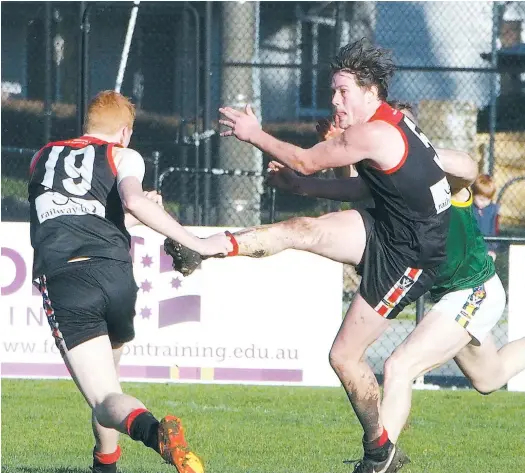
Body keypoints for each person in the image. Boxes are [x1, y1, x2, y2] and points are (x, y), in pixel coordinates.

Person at [168, 39, 453, 473]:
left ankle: (381, 452)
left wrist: (254, 134)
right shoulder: (390, 122)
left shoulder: (373, 132)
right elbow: (368, 189)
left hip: (412, 255)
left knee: (343, 357)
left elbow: (303, 160)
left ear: (371, 92)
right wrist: (306, 190)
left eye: (344, 92)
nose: (334, 100)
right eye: (333, 91)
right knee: (302, 228)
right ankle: (203, 247)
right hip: (389, 226)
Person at [266, 103, 525, 454]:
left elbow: (467, 165)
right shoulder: (392, 183)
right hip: (453, 296)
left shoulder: (439, 172)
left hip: (474, 290)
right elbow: (358, 196)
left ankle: (379, 460)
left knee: (398, 366)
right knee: (488, 378)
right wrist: (340, 153)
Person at [28, 90, 232, 473]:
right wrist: (198, 242)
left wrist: (140, 211)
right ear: (124, 132)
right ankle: (105, 465)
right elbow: (132, 203)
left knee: (105, 397)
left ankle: (156, 435)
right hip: (116, 277)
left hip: (69, 280)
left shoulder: (43, 156)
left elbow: (71, 216)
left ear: (88, 125)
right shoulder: (124, 154)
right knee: (110, 386)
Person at [472, 174, 500, 260]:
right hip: (472, 248)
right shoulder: (469, 208)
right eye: (481, 199)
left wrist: (492, 249)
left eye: (488, 200)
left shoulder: (492, 210)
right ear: (473, 194)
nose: (484, 203)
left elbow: (494, 231)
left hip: (487, 247)